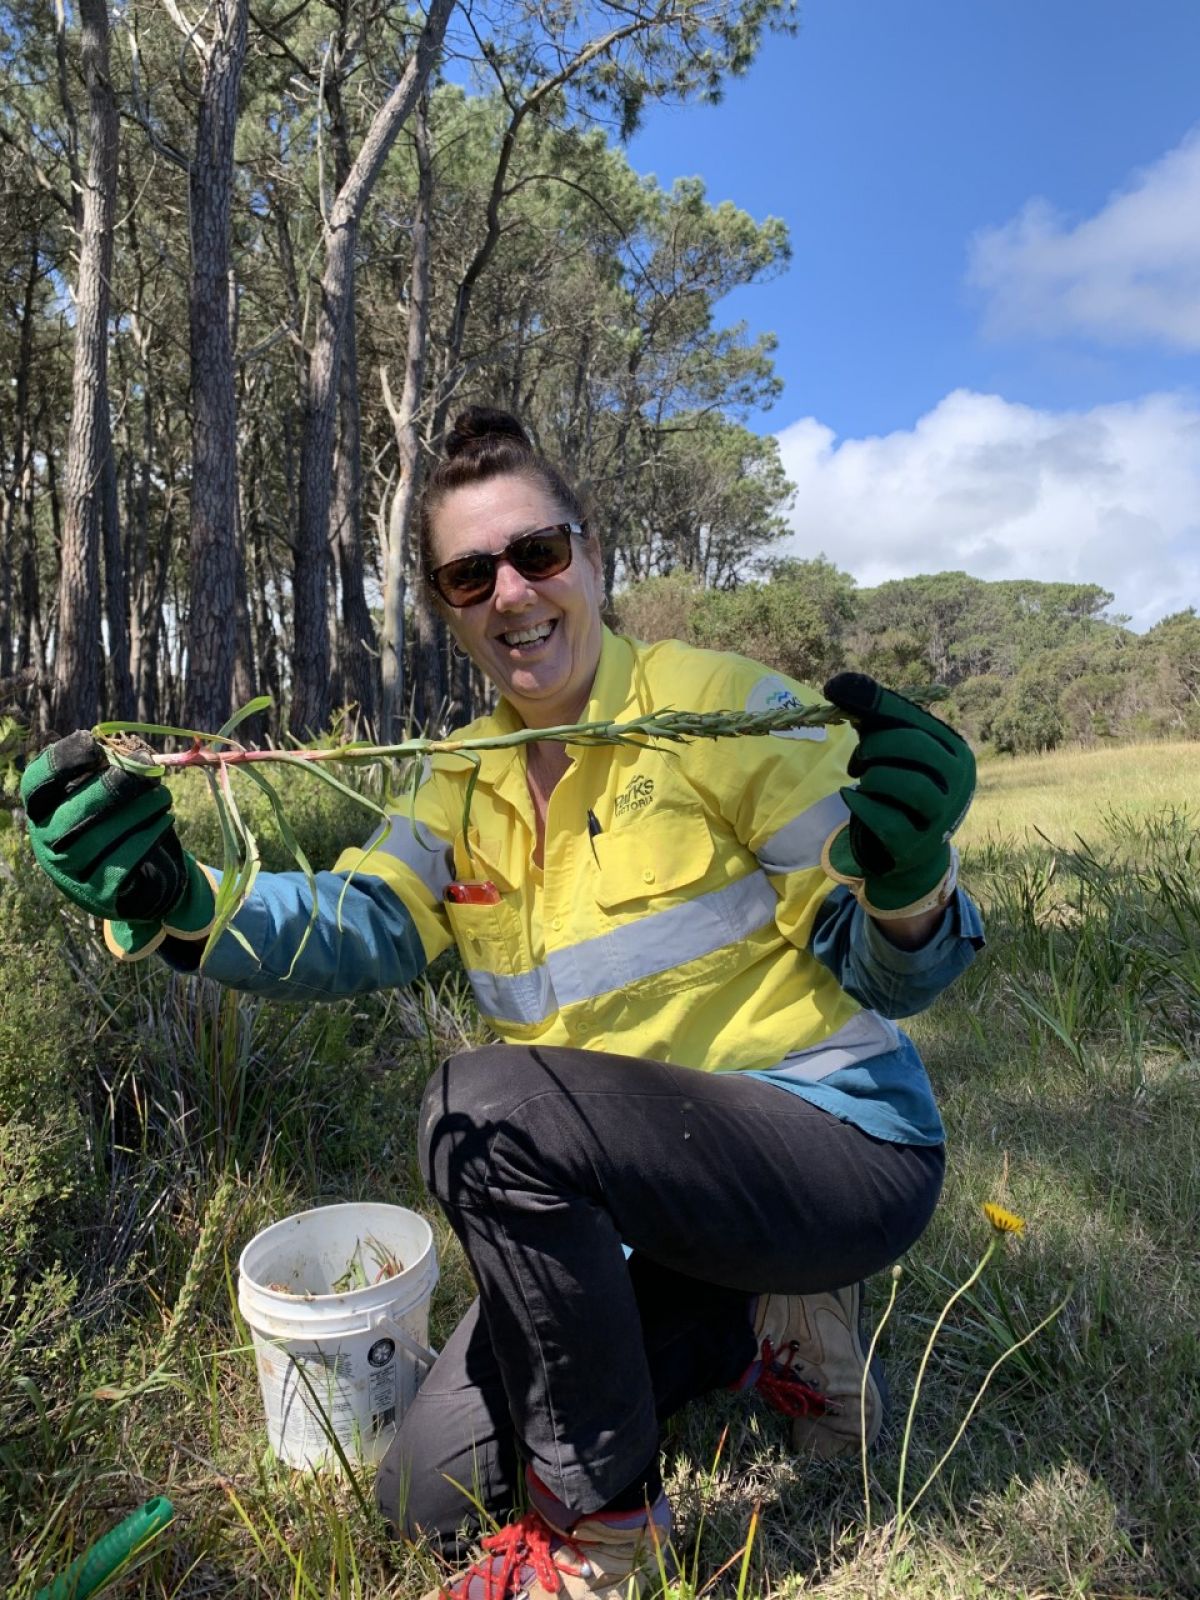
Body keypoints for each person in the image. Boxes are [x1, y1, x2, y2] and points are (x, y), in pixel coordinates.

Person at [21, 408, 982, 1600]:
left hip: (833, 1148)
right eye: (471, 573)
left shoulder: (717, 704)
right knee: (422, 1492)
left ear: (591, 556)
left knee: (480, 1105)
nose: (514, 593)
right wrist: (178, 900)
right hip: (632, 1201)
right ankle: (758, 1331)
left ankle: (604, 1530)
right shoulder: (460, 774)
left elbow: (890, 964)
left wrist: (908, 885)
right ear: (447, 605)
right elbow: (359, 922)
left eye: (540, 553)